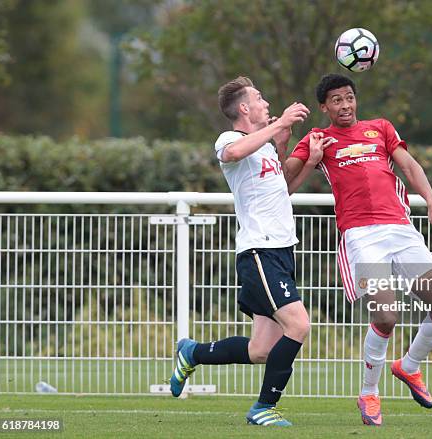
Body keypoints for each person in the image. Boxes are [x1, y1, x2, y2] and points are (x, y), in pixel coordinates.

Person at [284, 73, 432, 426]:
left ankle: (408, 366)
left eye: (349, 97)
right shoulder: (318, 139)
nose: (345, 105)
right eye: (336, 100)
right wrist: (309, 158)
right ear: (324, 107)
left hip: (400, 229)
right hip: (361, 236)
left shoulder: (380, 128)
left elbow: (409, 165)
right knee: (385, 316)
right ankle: (368, 392)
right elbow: (284, 185)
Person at [168, 76, 328, 427]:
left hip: (281, 252)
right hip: (260, 252)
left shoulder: (266, 146)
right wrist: (281, 124)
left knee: (261, 351)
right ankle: (262, 408)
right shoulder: (231, 138)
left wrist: (307, 159)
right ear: (244, 108)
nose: (266, 103)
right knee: (299, 325)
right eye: (259, 98)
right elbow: (234, 153)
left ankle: (191, 352)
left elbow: (281, 189)